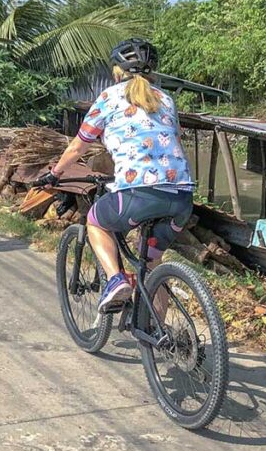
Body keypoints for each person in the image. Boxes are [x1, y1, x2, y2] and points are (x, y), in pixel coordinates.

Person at [32, 39, 194, 313]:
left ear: (117, 71)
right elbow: (173, 142)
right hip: (181, 198)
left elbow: (77, 146)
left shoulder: (109, 97)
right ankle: (163, 337)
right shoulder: (166, 99)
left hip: (138, 194)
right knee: (152, 263)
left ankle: (116, 279)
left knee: (96, 221)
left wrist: (54, 173)